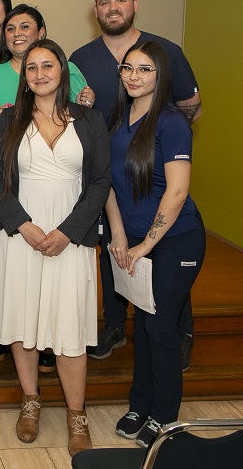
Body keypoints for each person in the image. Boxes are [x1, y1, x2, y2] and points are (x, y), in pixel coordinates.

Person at [0, 39, 110, 457]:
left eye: (47, 65)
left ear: (63, 71)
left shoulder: (89, 120)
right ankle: (31, 400)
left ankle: (77, 415)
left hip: (71, 236)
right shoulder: (9, 120)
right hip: (20, 236)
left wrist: (68, 231)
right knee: (23, 320)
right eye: (31, 67)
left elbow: (100, 182)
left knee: (69, 324)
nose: (39, 73)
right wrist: (24, 225)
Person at [69, 0, 201, 365]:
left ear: (134, 4)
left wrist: (160, 142)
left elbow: (191, 105)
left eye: (120, 0)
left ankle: (179, 328)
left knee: (167, 253)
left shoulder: (165, 51)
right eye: (105, 2)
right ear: (96, 10)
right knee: (114, 244)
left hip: (153, 172)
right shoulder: (82, 58)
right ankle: (114, 324)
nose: (113, 8)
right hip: (109, 176)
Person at [104, 41, 205, 448]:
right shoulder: (117, 117)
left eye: (145, 70)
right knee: (143, 324)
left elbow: (177, 192)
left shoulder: (172, 122)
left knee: (161, 328)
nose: (134, 76)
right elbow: (106, 183)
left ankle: (164, 418)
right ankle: (139, 404)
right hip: (133, 241)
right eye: (128, 68)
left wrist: (146, 243)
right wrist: (120, 236)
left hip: (175, 242)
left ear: (160, 76)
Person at [0, 4, 93, 139]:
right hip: (3, 156)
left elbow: (85, 126)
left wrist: (82, 106)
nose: (16, 33)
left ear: (41, 32)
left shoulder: (67, 70)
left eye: (25, 27)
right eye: (10, 29)